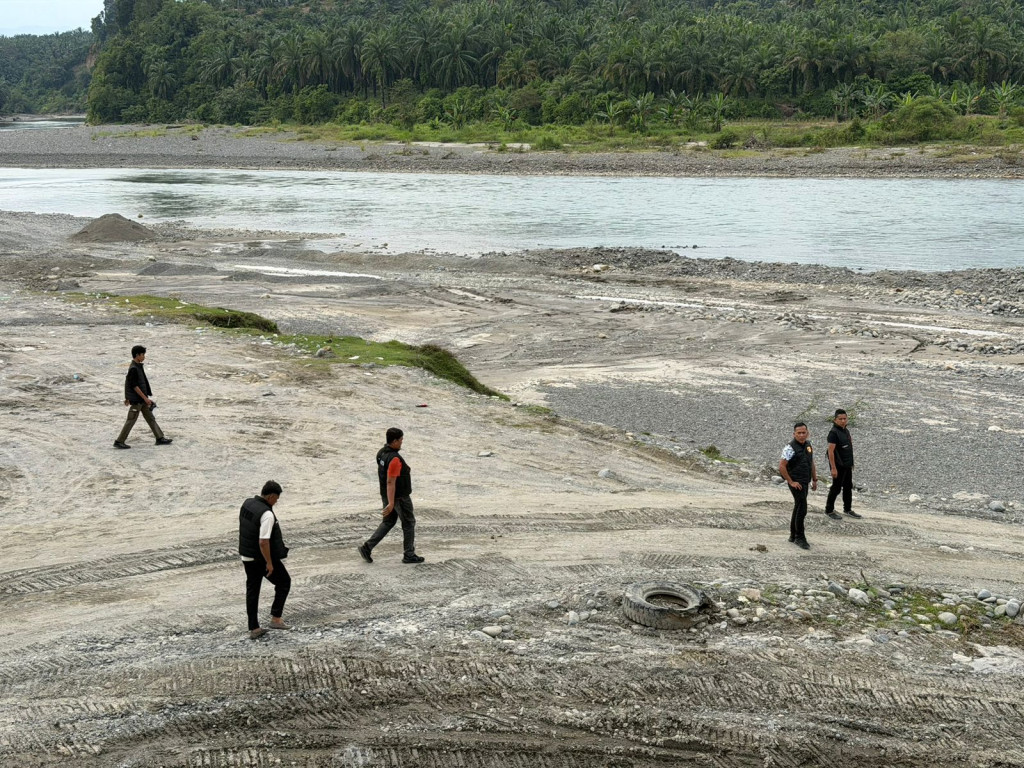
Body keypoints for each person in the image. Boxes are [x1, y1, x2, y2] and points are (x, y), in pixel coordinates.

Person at [358, 427, 425, 564]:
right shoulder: (394, 459)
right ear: (394, 441)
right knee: (408, 523)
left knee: (388, 522)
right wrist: (391, 503)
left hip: (387, 494)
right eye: (400, 440)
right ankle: (409, 554)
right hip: (398, 497)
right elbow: (390, 481)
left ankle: (367, 547)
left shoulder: (381, 453)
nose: (401, 442)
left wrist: (388, 500)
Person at [239, 480, 292, 639]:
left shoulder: (247, 503)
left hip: (246, 555)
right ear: (270, 496)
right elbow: (263, 541)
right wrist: (269, 563)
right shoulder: (267, 514)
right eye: (276, 498)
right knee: (284, 582)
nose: (276, 502)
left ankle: (254, 628)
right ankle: (276, 618)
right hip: (260, 557)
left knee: (252, 590)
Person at [114, 345, 172, 449]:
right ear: (137, 355)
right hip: (137, 401)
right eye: (143, 354)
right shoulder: (134, 369)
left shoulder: (137, 367)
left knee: (150, 418)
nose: (144, 356)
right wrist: (144, 398)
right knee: (131, 420)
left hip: (141, 400)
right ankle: (119, 441)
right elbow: (134, 386)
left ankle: (159, 438)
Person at [779, 421, 818, 550]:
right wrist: (791, 481)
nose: (802, 435)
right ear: (794, 434)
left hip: (805, 481)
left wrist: (814, 479)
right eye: (799, 433)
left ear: (807, 433)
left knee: (798, 506)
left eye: (804, 433)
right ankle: (800, 537)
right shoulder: (790, 448)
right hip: (796, 483)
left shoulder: (808, 445)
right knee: (802, 508)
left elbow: (810, 462)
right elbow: (782, 466)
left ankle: (793, 535)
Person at [825, 408, 862, 520]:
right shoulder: (833, 433)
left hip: (847, 465)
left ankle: (848, 509)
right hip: (838, 465)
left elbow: (849, 448)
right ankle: (829, 510)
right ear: (835, 420)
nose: (843, 421)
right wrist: (833, 468)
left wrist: (851, 463)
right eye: (840, 419)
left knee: (848, 487)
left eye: (844, 419)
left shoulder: (846, 431)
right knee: (836, 488)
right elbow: (830, 452)